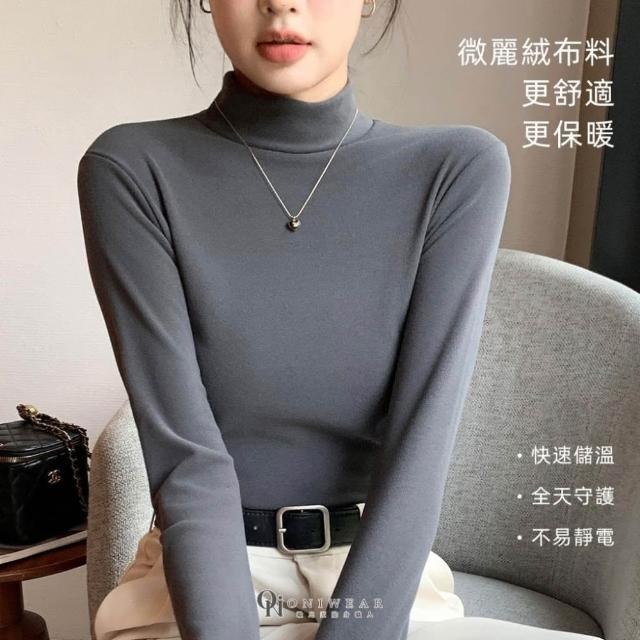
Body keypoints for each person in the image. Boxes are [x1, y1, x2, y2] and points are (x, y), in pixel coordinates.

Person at [77, 1, 601, 640]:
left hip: (378, 590)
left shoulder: (456, 169)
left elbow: (421, 444)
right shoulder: (132, 167)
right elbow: (185, 457)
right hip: (198, 592)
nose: (282, 4)